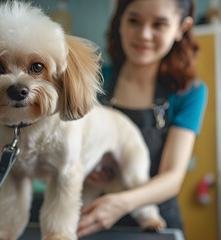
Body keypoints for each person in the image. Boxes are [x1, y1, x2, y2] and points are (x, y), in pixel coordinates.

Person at [77, 0, 208, 237]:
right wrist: (89, 170)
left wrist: (119, 203)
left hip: (156, 223)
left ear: (181, 27)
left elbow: (172, 178)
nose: (144, 35)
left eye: (159, 24)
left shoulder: (189, 92)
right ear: (120, 22)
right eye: (134, 21)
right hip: (91, 217)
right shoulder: (92, 81)